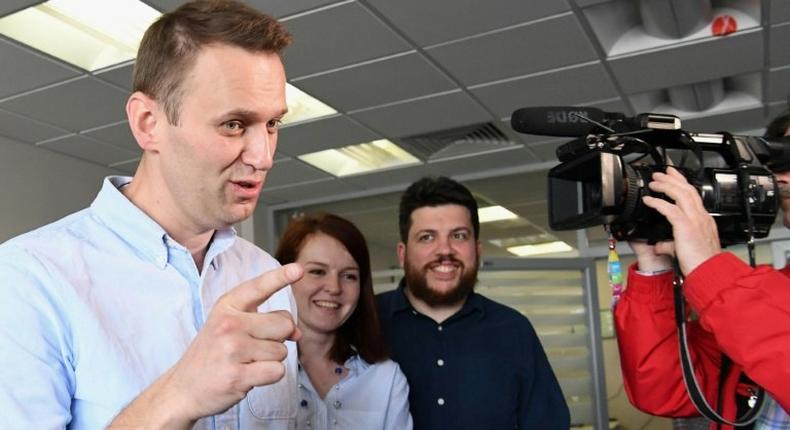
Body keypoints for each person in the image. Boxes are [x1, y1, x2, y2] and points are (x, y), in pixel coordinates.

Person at [0, 1, 304, 428]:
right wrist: (180, 392)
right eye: (234, 124)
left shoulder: (265, 277)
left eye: (272, 125)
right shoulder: (29, 279)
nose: (264, 156)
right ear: (148, 123)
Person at [613, 112, 790, 430]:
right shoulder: (768, 292)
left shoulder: (747, 297)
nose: (782, 178)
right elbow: (670, 394)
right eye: (779, 163)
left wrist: (711, 268)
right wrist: (655, 268)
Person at [376, 176, 570, 429]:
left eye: (458, 235)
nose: (444, 250)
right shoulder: (366, 322)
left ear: (478, 250)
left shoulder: (513, 329)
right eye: (427, 237)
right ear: (403, 254)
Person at [274, 213, 413, 429]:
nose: (334, 287)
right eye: (317, 271)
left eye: (349, 276)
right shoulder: (253, 369)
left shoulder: (385, 378)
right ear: (284, 277)